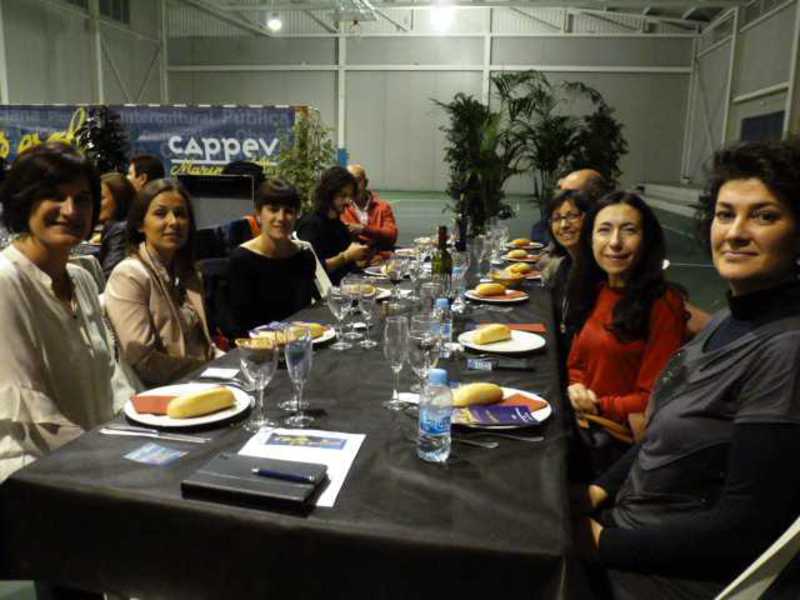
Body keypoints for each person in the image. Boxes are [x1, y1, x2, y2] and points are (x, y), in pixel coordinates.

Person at [578, 138, 800, 599]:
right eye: (725, 214)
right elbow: (663, 436)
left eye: (764, 216)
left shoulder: (786, 350)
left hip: (665, 571)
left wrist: (600, 542)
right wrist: (598, 491)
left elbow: (743, 530)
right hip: (631, 523)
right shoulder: (726, 321)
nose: (735, 233)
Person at [0, 142, 135, 481]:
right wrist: (111, 461)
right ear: (24, 201)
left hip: (92, 460)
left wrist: (138, 431)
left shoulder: (82, 278)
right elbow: (33, 411)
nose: (71, 210)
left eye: (83, 199)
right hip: (31, 475)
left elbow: (111, 375)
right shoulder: (6, 280)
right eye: (54, 196)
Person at [565, 192, 687, 472]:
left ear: (647, 241)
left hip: (615, 445)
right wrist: (577, 388)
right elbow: (577, 364)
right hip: (583, 422)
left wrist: (598, 405)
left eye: (629, 230)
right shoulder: (594, 291)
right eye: (604, 230)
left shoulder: (663, 304)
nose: (615, 242)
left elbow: (654, 395)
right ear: (590, 239)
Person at [105, 179, 219, 387]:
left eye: (180, 214)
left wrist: (232, 361)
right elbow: (144, 362)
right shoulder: (129, 276)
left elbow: (205, 347)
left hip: (202, 381)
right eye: (160, 213)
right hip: (162, 393)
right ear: (140, 224)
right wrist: (209, 370)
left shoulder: (189, 274)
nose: (174, 222)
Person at [228, 178, 318, 336]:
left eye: (288, 211)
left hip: (297, 343)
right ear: (258, 214)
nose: (281, 217)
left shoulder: (305, 259)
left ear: (296, 215)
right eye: (273, 209)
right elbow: (241, 327)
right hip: (257, 346)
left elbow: (302, 316)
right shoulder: (242, 260)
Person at [296, 166, 368, 285]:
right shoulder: (311, 225)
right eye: (343, 195)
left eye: (350, 196)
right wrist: (346, 257)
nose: (348, 201)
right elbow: (313, 271)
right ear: (328, 194)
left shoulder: (339, 225)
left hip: (348, 287)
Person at [341, 164, 398, 252]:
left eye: (357, 180)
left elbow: (392, 235)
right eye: (349, 182)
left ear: (366, 182)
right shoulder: (341, 208)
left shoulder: (383, 207)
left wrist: (363, 229)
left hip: (381, 257)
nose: (354, 186)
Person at [96, 172, 136, 281]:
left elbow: (110, 276)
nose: (96, 204)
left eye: (101, 198)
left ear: (120, 199)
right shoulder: (119, 226)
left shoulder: (120, 229)